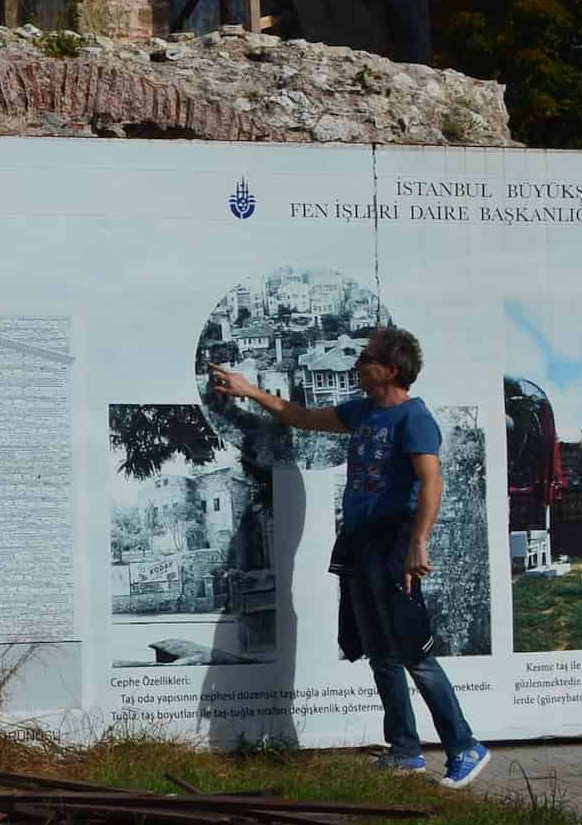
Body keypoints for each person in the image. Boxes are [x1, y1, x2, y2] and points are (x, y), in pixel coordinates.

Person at [209, 325, 490, 788]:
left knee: (412, 652)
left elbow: (432, 482)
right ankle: (405, 751)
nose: (357, 365)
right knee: (380, 653)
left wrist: (419, 541)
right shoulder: (362, 412)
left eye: (366, 359)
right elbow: (297, 415)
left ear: (391, 370)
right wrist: (247, 390)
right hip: (360, 542)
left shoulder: (414, 419)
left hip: (395, 542)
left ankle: (464, 746)